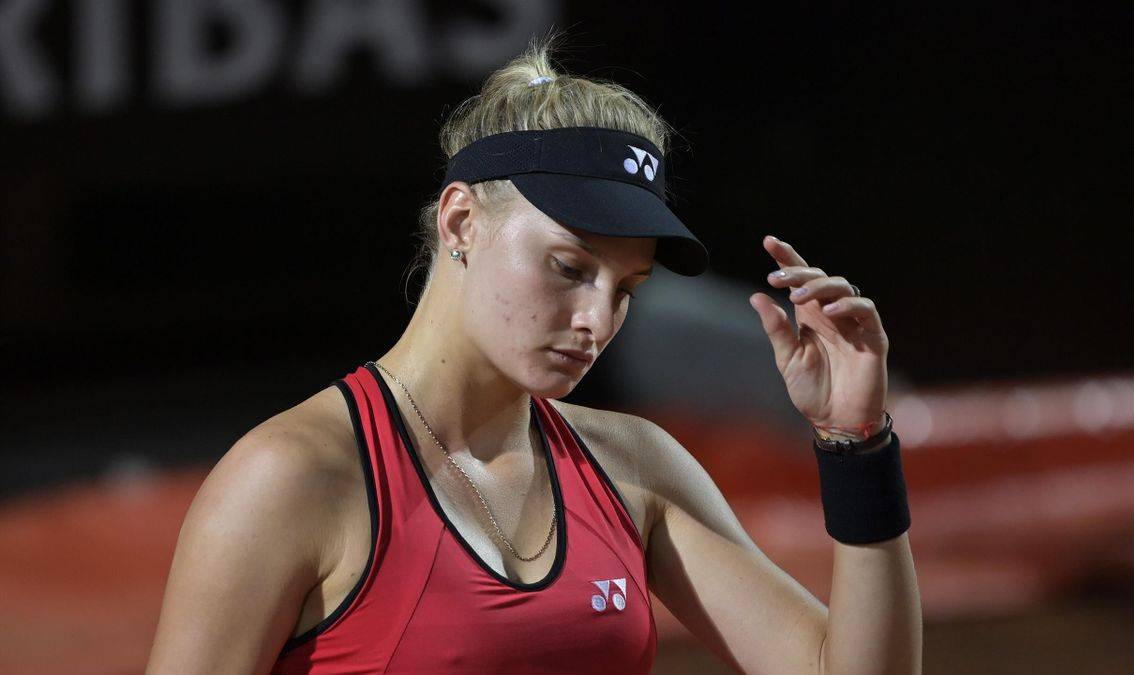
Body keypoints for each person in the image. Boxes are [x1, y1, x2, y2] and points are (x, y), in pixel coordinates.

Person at [146, 32, 921, 674]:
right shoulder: (291, 479)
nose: (598, 319)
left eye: (626, 287)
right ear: (460, 222)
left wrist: (855, 442)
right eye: (569, 267)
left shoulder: (635, 467)